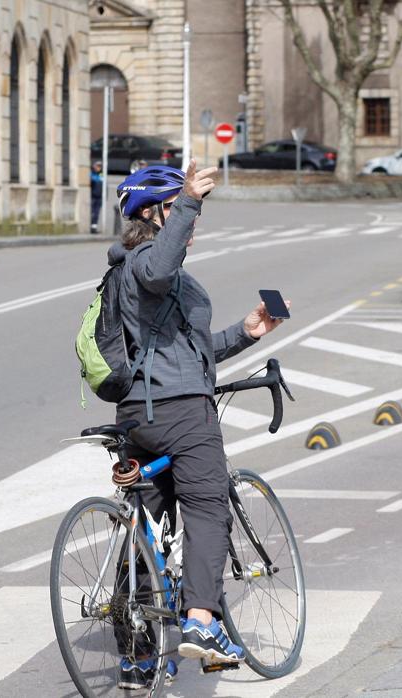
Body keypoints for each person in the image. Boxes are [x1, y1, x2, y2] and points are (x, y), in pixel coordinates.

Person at [109, 161, 287, 685]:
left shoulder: (131, 271)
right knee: (208, 506)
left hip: (137, 416)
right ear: (154, 214)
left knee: (144, 532)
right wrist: (190, 198)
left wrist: (246, 333)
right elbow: (160, 269)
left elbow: (184, 353)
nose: (192, 223)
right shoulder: (147, 262)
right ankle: (201, 622)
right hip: (182, 416)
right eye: (176, 211)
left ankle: (137, 657)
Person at [90, 161, 104, 233]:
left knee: (96, 212)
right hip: (93, 196)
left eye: (100, 166)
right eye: (97, 166)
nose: (99, 167)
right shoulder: (91, 174)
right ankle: (90, 226)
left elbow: (104, 186)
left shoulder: (101, 174)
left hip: (99, 197)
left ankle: (94, 227)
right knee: (91, 212)